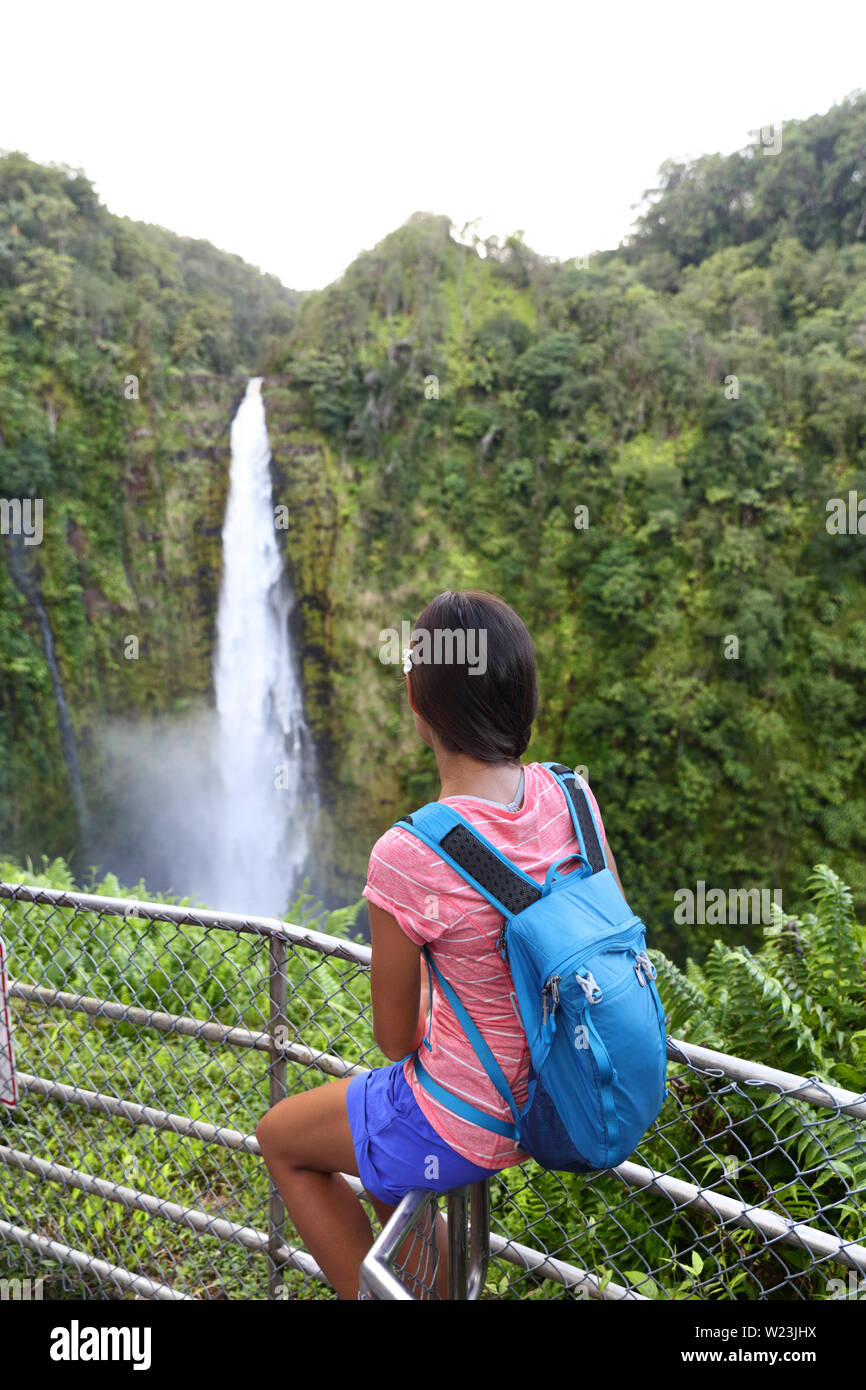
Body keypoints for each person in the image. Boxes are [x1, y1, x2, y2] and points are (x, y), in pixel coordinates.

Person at [255, 589, 625, 1300]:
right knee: (392, 1170)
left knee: (283, 1137)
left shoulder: (408, 853)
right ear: (523, 694)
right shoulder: (574, 796)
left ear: (415, 699)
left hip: (470, 1112)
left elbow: (395, 1039)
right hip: (563, 1084)